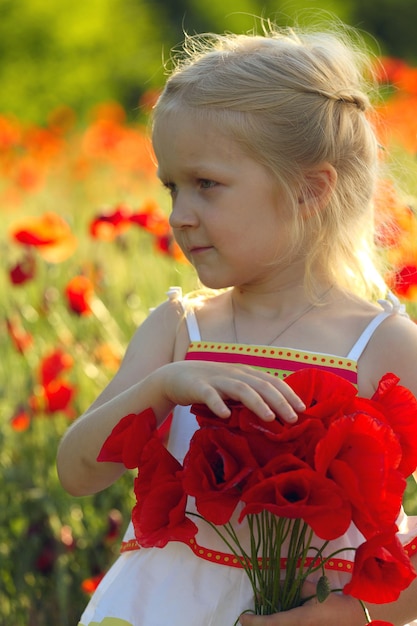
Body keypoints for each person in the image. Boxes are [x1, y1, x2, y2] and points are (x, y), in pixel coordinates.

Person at [57, 19, 417, 626]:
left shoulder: (384, 345)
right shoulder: (180, 330)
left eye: (206, 185)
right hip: (167, 607)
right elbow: (78, 472)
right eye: (171, 186)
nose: (179, 215)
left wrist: (347, 615)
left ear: (309, 190)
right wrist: (162, 386)